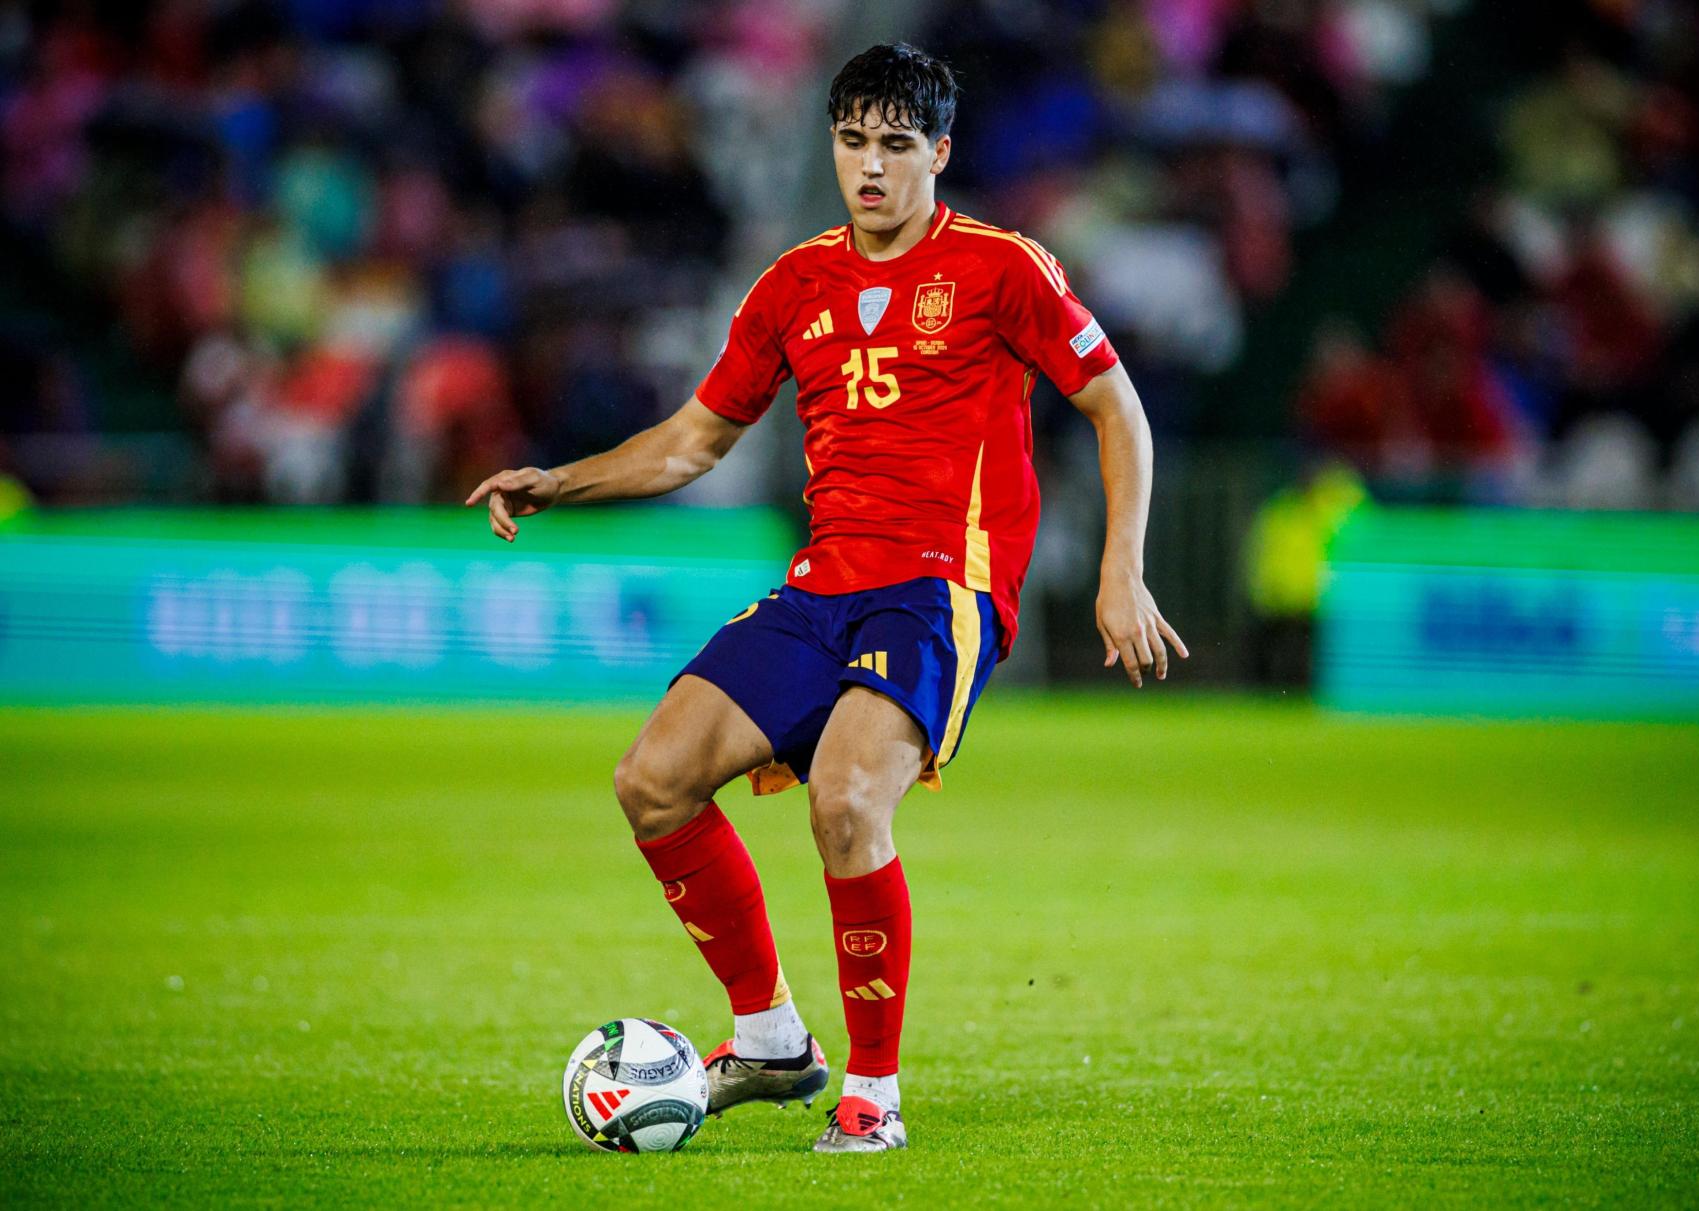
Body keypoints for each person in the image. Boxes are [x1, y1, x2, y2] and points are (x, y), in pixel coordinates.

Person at [465, 42, 1187, 1154]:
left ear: (939, 153)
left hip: (940, 587)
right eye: (852, 141)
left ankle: (874, 1091)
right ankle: (768, 1039)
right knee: (652, 780)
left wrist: (1120, 568)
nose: (870, 167)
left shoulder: (1003, 268)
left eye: (896, 145)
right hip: (822, 586)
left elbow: (1115, 406)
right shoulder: (792, 284)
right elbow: (694, 439)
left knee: (846, 801)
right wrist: (562, 480)